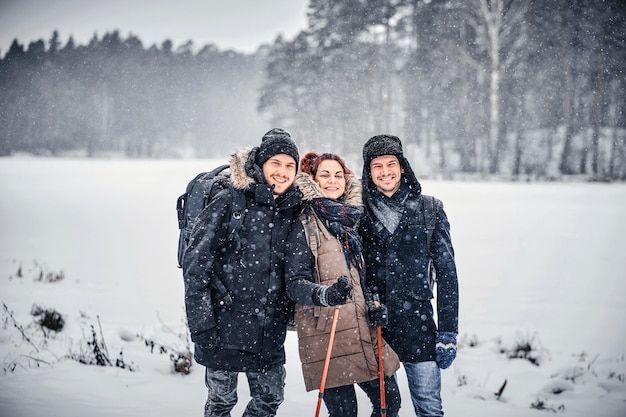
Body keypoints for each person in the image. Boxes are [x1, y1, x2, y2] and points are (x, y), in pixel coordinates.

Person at [181, 128, 352, 417]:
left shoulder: (293, 212)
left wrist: (324, 294)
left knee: (270, 399)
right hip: (222, 329)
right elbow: (195, 268)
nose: (282, 172)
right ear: (260, 165)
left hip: (267, 332)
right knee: (221, 403)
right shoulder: (229, 202)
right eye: (276, 163)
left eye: (289, 165)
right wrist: (201, 326)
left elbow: (296, 281)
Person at [290, 151, 402, 417]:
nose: (333, 180)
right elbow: (294, 284)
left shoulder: (353, 219)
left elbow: (365, 275)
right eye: (325, 175)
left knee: (390, 404)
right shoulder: (303, 222)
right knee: (345, 413)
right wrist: (326, 295)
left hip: (363, 327)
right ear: (312, 180)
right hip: (326, 333)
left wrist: (376, 305)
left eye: (338, 175)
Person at [358, 135, 459, 417]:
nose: (385, 171)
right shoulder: (358, 212)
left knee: (429, 406)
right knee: (385, 408)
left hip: (419, 324)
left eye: (391, 163)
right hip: (375, 326)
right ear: (368, 171)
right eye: (377, 166)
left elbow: (447, 274)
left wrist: (448, 331)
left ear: (403, 167)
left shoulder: (430, 209)